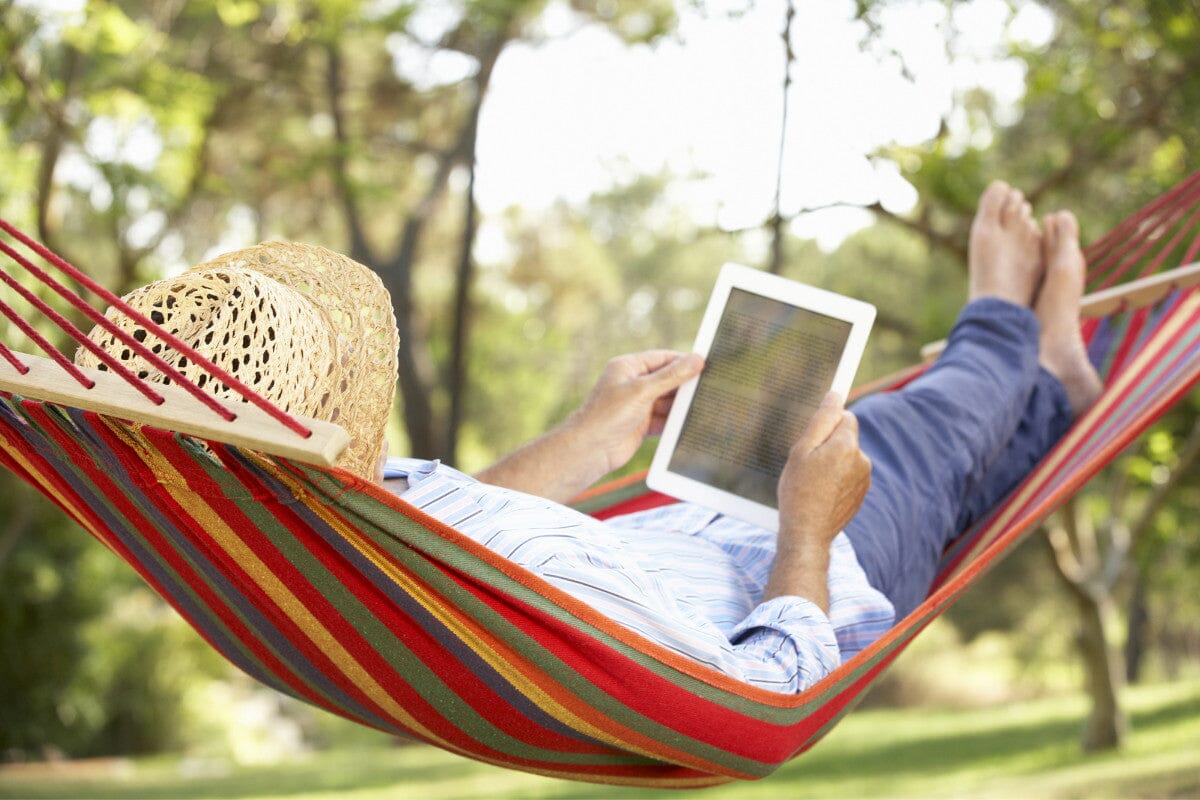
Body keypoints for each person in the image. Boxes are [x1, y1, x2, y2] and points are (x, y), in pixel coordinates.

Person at [80, 181, 1102, 694]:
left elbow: (466, 540)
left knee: (947, 468)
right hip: (817, 563)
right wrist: (806, 526)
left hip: (702, 520)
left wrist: (587, 439)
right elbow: (772, 686)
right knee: (909, 425)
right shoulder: (352, 549)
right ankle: (1006, 324)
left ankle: (1055, 384)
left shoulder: (335, 539)